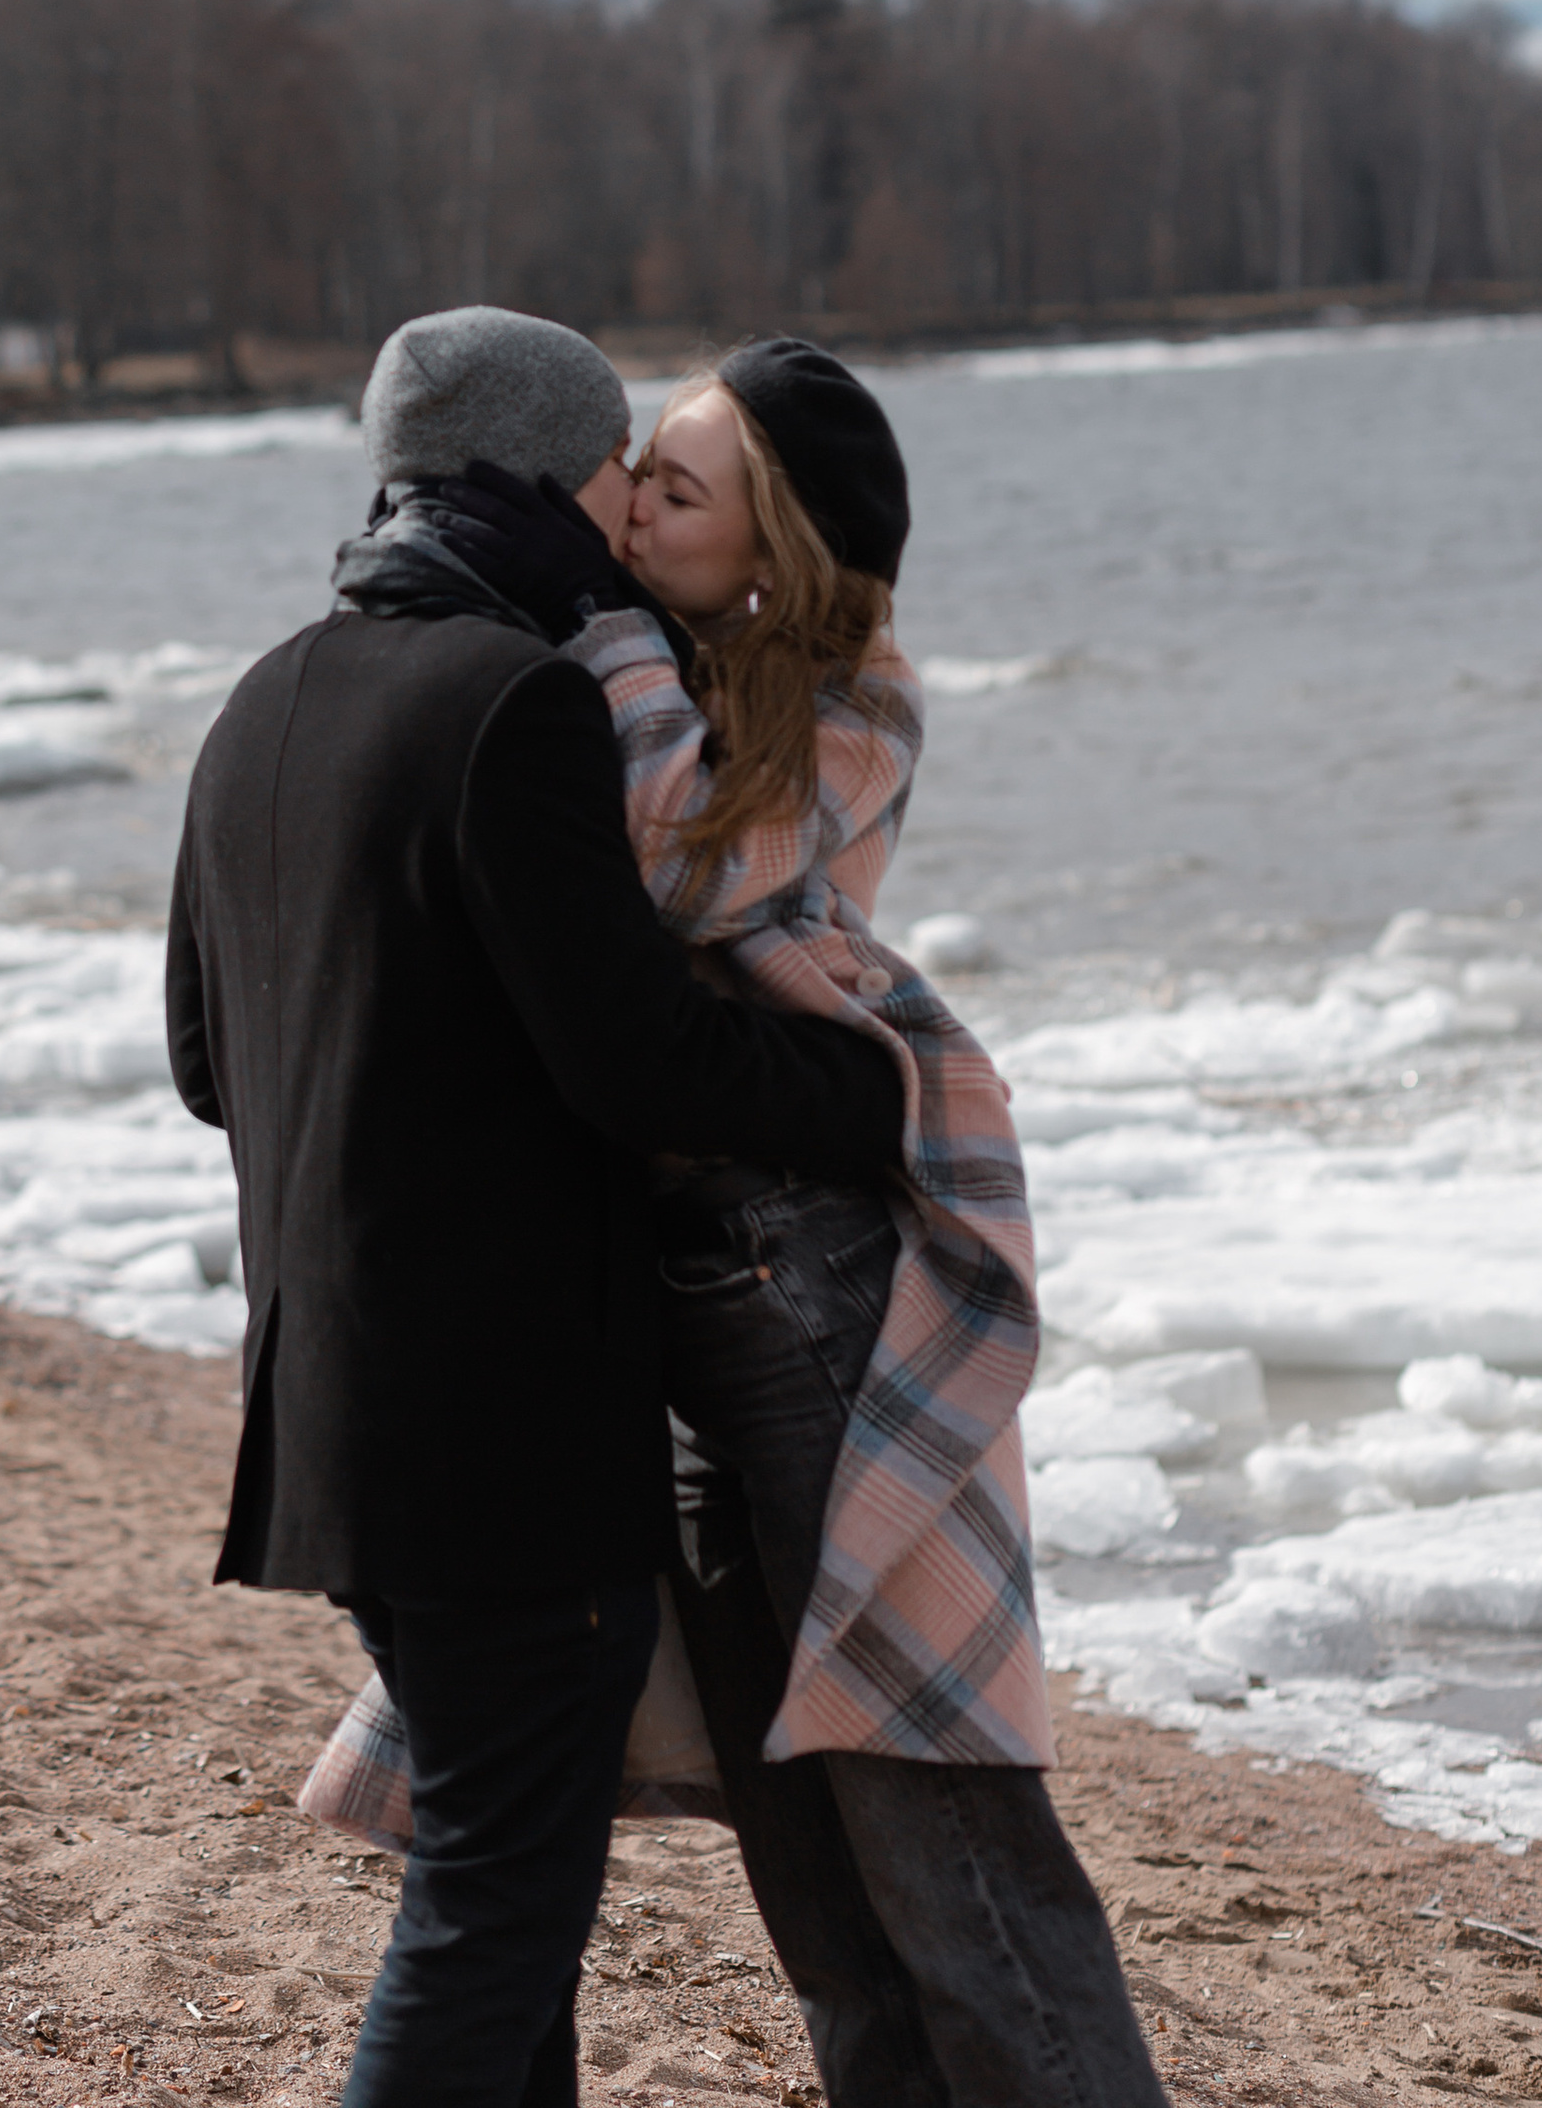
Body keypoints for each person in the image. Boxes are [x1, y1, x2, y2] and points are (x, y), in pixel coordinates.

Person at [166, 306, 907, 2108]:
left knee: (492, 1890)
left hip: (316, 1406)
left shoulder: (261, 699)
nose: (624, 517)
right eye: (613, 473)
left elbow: (207, 1062)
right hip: (499, 1422)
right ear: (545, 472)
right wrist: (873, 1089)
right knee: (498, 1902)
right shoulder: (515, 703)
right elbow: (640, 1061)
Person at [437, 339, 1169, 2108]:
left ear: (771, 545)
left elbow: (693, 863)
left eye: (671, 488)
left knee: (950, 1845)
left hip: (818, 1287)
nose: (625, 507)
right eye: (631, 473)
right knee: (817, 1889)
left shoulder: (851, 692)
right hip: (678, 1312)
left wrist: (602, 636)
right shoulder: (641, 662)